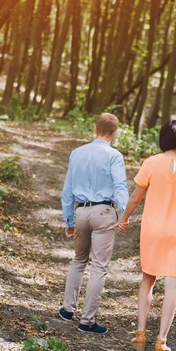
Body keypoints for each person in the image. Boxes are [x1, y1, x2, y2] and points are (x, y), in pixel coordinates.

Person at [117, 119, 176, 351]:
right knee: (172, 284)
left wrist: (124, 217)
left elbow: (135, 197)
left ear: (164, 139)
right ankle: (161, 343)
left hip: (152, 229)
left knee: (148, 279)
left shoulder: (151, 163)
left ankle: (140, 335)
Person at [59, 113, 129, 335]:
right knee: (99, 266)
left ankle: (67, 310)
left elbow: (67, 190)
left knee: (79, 260)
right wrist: (125, 214)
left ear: (96, 128)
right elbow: (120, 186)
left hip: (81, 212)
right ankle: (87, 321)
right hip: (104, 212)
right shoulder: (114, 155)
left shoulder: (77, 153)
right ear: (115, 132)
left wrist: (69, 219)